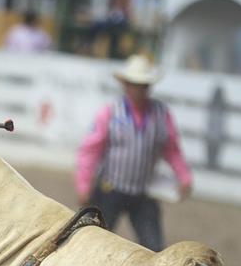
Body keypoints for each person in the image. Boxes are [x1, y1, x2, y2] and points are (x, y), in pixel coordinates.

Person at [75, 54, 192, 252]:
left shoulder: (161, 114)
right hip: (109, 188)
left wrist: (184, 177)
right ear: (126, 85)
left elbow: (171, 148)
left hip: (143, 191)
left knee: (154, 248)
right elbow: (90, 149)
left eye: (143, 85)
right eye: (135, 84)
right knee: (91, 241)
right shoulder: (110, 112)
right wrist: (83, 184)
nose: (138, 89)